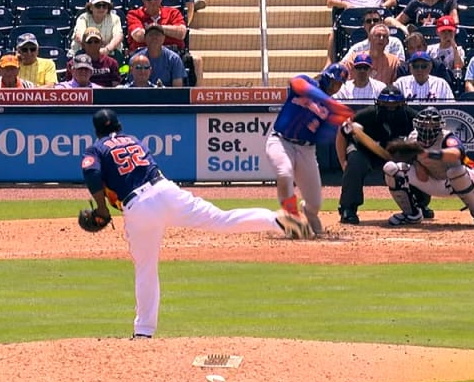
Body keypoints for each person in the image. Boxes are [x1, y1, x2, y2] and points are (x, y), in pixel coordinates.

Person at [79, 109, 310, 339]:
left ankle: (144, 332)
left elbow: (91, 171)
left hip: (139, 207)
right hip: (166, 190)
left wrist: (100, 208)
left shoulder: (96, 148)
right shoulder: (134, 140)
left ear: (97, 131)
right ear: (119, 126)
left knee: (146, 268)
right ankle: (278, 220)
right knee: (221, 219)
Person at [265, 64, 354, 238]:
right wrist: (330, 105)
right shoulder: (307, 83)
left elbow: (323, 137)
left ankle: (307, 213)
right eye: (334, 82)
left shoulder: (331, 108)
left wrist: (340, 122)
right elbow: (296, 83)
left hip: (306, 149)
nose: (336, 87)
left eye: (339, 84)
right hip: (281, 141)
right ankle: (292, 218)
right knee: (284, 173)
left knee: (314, 204)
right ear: (326, 77)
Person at [381, 107, 474, 227]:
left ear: (439, 126)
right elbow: (422, 177)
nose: (428, 128)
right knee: (391, 168)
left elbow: (457, 154)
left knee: (455, 172)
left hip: (468, 178)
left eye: (432, 125)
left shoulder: (447, 137)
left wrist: (430, 154)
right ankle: (412, 214)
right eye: (424, 125)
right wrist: (416, 158)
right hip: (437, 181)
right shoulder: (413, 139)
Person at [335, 85, 418, 225]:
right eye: (386, 104)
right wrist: (343, 161)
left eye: (395, 105)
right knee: (355, 161)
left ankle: (419, 204)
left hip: (397, 155)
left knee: (418, 161)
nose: (390, 108)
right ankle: (348, 208)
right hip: (367, 152)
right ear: (378, 104)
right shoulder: (366, 115)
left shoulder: (411, 117)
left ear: (402, 104)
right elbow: (342, 133)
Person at [125, 0, 202, 86]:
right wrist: (167, 32)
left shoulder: (173, 13)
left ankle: (195, 99)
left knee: (196, 60)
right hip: (143, 55)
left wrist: (156, 28)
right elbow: (138, 36)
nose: (153, 1)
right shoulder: (134, 14)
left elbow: (181, 33)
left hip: (173, 53)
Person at [68, 0, 125, 65]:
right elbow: (80, 36)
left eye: (104, 5)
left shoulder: (115, 19)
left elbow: (118, 36)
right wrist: (93, 50)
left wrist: (107, 50)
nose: (101, 8)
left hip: (108, 53)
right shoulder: (83, 18)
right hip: (84, 53)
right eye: (98, 5)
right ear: (91, 7)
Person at [426, 15, 466, 89]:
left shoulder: (459, 49)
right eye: (443, 31)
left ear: (454, 32)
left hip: (450, 83)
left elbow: (459, 67)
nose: (447, 34)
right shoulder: (430, 49)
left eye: (450, 31)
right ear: (438, 32)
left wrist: (454, 46)